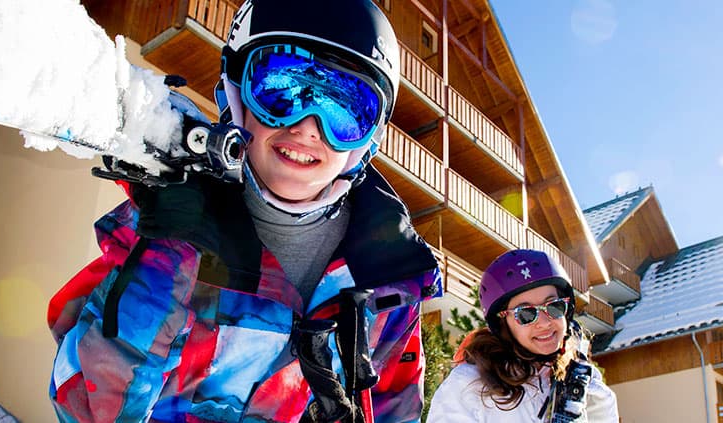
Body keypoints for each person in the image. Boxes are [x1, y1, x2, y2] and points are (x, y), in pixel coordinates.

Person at [45, 0, 442, 422]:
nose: (308, 127)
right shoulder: (171, 225)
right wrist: (171, 257)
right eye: (283, 89)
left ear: (368, 139)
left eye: (344, 110)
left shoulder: (388, 277)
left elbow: (395, 412)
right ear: (236, 95)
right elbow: (86, 406)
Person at [427, 249, 619, 422]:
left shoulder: (583, 381)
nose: (544, 322)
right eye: (526, 314)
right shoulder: (468, 386)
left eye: (554, 306)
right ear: (503, 323)